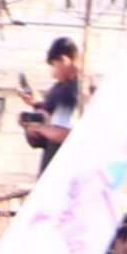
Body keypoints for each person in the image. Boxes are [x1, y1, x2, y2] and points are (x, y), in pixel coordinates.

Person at [19, 37, 83, 167]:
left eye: (54, 65)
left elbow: (63, 132)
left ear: (64, 60)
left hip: (64, 169)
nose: (53, 74)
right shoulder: (61, 88)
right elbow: (45, 136)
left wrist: (39, 127)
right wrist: (35, 107)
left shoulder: (73, 91)